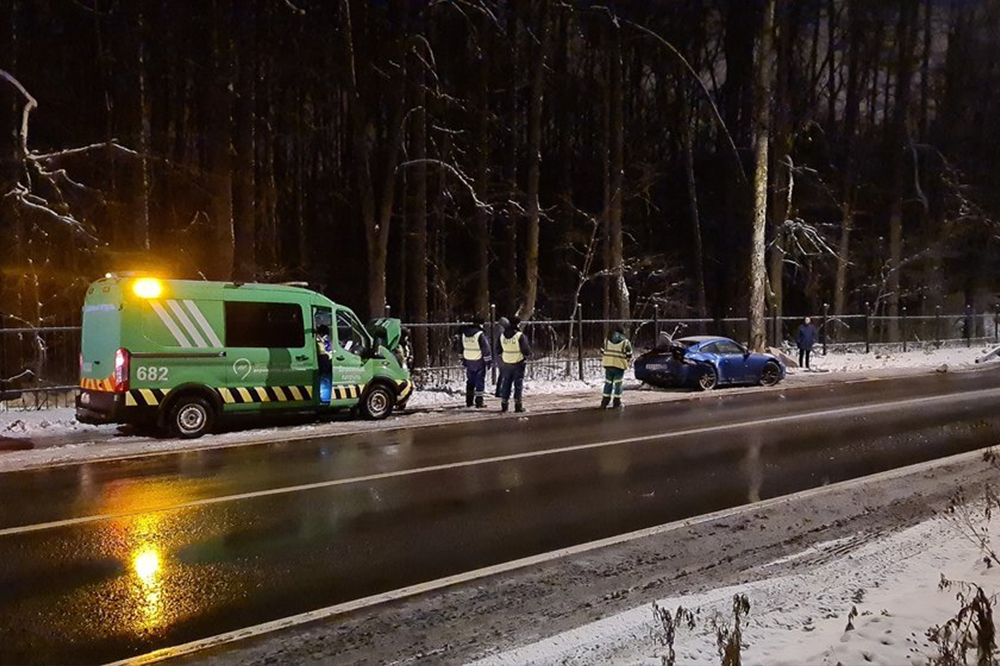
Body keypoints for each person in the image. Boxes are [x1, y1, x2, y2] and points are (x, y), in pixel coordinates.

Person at [498, 316, 531, 413]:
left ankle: (504, 405)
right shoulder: (519, 335)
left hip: (506, 362)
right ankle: (518, 405)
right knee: (518, 384)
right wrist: (525, 356)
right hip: (518, 362)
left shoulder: (502, 335)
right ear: (518, 324)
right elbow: (526, 350)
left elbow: (498, 349)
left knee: (506, 383)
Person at [460, 316, 492, 408]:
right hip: (478, 360)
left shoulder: (464, 334)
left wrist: (462, 359)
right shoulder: (480, 334)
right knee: (479, 381)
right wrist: (488, 361)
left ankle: (469, 401)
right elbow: (486, 349)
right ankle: (479, 401)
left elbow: (460, 347)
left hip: (468, 360)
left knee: (470, 381)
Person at [601, 324, 633, 409]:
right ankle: (617, 401)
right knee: (618, 384)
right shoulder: (625, 342)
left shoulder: (606, 340)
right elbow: (629, 354)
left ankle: (605, 401)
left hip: (608, 364)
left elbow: (602, 350)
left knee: (608, 383)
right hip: (619, 365)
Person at [316, 324, 334, 404]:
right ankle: (324, 397)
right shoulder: (318, 340)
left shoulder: (323, 341)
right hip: (323, 364)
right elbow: (322, 354)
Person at [494, 316, 510, 398]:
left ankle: (499, 390)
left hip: (498, 354)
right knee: (503, 373)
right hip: (502, 355)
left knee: (502, 373)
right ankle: (500, 390)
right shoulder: (501, 332)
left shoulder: (497, 330)